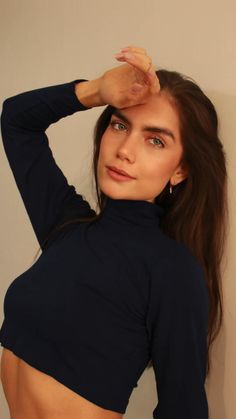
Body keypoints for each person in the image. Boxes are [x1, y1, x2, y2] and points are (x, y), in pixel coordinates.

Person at [0, 46, 228, 419]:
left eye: (155, 140)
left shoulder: (173, 272)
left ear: (181, 170)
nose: (125, 150)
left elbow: (183, 409)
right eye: (120, 125)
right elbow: (16, 120)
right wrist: (97, 90)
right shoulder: (66, 225)